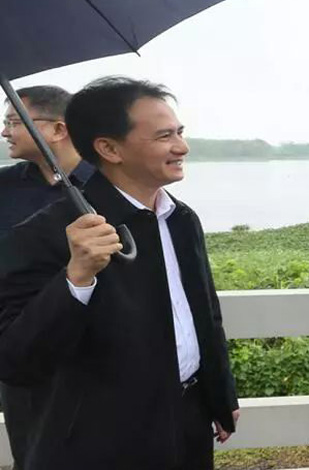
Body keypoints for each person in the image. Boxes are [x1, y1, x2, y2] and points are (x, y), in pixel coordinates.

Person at [0, 77, 239, 470]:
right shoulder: (45, 233)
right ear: (109, 149)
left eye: (179, 132)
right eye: (164, 136)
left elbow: (204, 313)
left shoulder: (180, 218)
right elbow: (16, 359)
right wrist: (76, 278)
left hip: (186, 422)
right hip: (95, 441)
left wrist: (220, 394)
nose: (182, 147)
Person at [0, 85, 93, 469]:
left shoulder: (108, 184)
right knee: (34, 454)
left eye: (13, 122)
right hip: (25, 348)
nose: (4, 132)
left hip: (95, 352)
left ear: (58, 129)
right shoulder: (4, 187)